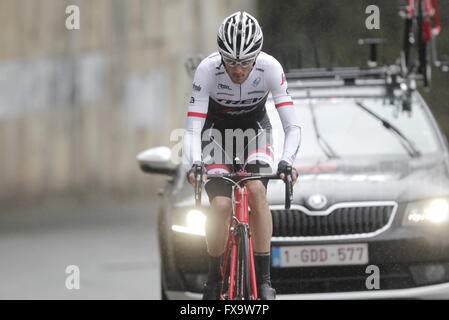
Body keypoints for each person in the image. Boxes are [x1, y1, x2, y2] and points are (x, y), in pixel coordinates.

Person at [183, 11, 301, 300]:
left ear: (257, 56)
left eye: (246, 62)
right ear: (221, 56)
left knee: (257, 190)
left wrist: (287, 162)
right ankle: (214, 279)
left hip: (255, 132)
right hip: (216, 136)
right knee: (221, 205)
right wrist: (195, 163)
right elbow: (193, 125)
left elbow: (292, 125)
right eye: (231, 62)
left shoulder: (271, 68)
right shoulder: (207, 70)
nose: (238, 70)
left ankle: (264, 280)